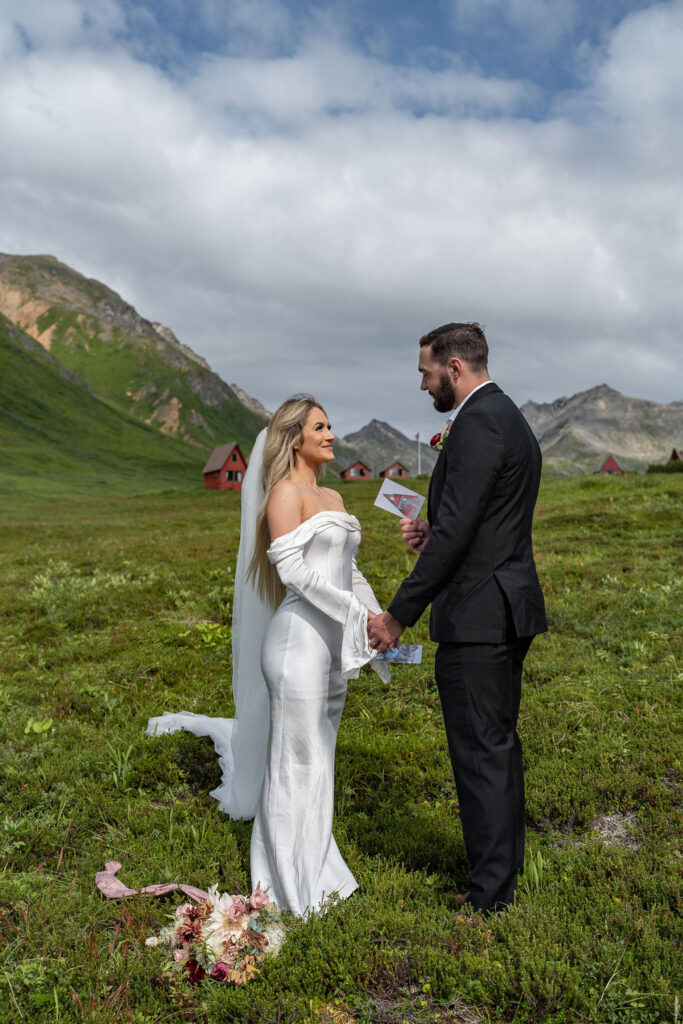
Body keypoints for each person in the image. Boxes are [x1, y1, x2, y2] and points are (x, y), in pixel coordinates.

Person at [148, 395, 387, 917]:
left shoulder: (335, 499)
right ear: (294, 437)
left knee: (320, 760)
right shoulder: (284, 493)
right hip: (298, 642)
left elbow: (352, 572)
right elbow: (294, 573)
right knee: (292, 763)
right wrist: (354, 613)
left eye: (330, 425)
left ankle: (319, 871)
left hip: (331, 651)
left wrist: (376, 618)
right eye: (319, 427)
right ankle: (283, 886)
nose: (330, 435)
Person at [368, 323, 547, 914]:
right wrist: (433, 530)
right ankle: (502, 875)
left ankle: (490, 895)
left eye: (425, 373)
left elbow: (463, 532)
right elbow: (477, 522)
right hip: (504, 603)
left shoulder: (475, 425)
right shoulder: (507, 418)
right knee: (496, 746)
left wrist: (397, 616)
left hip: (477, 615)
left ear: (454, 367)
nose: (423, 386)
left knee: (479, 753)